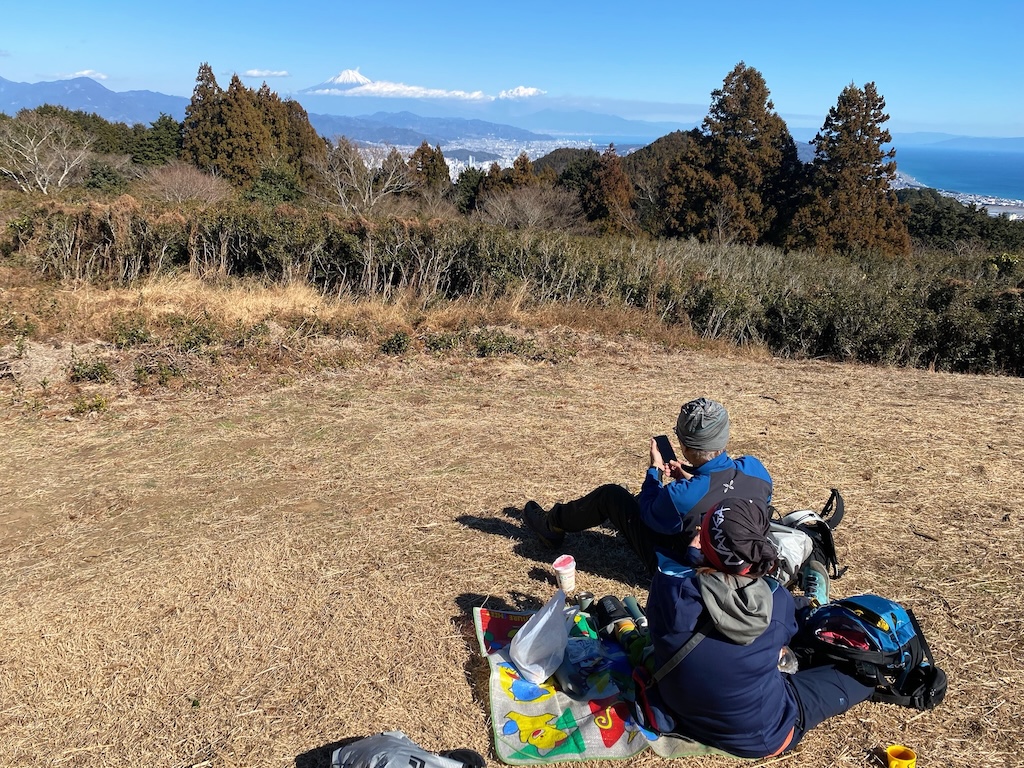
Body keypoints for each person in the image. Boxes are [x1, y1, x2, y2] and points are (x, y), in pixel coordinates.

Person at [641, 497, 873, 758]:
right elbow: (789, 631)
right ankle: (818, 603)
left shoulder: (666, 586)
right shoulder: (775, 603)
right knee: (861, 676)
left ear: (704, 542)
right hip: (761, 734)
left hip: (679, 711)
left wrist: (694, 555)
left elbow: (697, 580)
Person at [523, 397, 773, 573]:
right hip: (742, 563)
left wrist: (654, 471)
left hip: (687, 569)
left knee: (612, 496)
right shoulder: (755, 469)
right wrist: (688, 477)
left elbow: (648, 511)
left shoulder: (679, 496)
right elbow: (721, 493)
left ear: (684, 446)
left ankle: (552, 524)